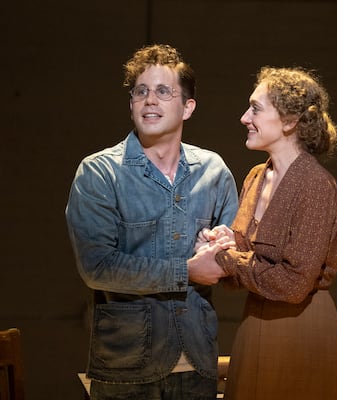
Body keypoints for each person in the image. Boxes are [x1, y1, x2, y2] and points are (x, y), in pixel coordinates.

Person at [65, 44, 239, 400]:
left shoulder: (213, 171)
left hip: (196, 360)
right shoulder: (100, 172)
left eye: (163, 91)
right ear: (130, 104)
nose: (149, 100)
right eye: (140, 92)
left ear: (187, 107)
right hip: (127, 366)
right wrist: (186, 270)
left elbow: (233, 254)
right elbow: (97, 267)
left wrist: (223, 250)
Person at [192, 66, 337, 399]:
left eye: (255, 108)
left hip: (303, 332)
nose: (244, 117)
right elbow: (245, 266)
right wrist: (220, 243)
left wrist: (227, 260)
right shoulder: (257, 176)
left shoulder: (315, 185)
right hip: (254, 325)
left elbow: (294, 284)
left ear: (289, 121)